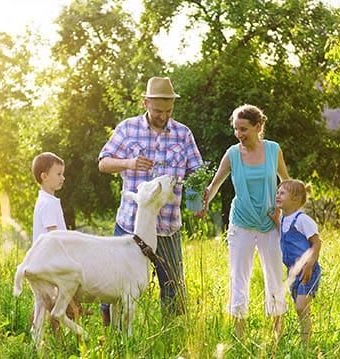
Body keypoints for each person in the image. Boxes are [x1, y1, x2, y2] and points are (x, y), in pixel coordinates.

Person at [98, 76, 203, 324]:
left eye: (168, 111)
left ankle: (171, 338)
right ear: (145, 103)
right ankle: (109, 335)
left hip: (166, 227)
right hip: (130, 226)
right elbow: (103, 163)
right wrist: (129, 163)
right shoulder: (127, 129)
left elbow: (197, 172)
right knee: (113, 282)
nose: (163, 116)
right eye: (158, 110)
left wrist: (198, 199)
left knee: (172, 287)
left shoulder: (182, 134)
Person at [199, 104, 289, 339]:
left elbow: (286, 182)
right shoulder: (232, 154)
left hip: (270, 223)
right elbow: (216, 183)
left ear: (258, 127)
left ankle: (277, 333)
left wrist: (285, 211)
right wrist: (205, 200)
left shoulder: (273, 150)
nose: (239, 134)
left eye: (244, 129)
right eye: (236, 129)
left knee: (275, 278)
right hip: (241, 223)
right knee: (238, 277)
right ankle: (240, 334)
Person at [31, 152, 87, 331]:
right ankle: (72, 312)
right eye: (58, 174)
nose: (63, 178)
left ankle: (38, 337)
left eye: (63, 174)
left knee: (41, 303)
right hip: (48, 261)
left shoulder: (49, 200)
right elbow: (54, 236)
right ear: (44, 176)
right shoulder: (48, 204)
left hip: (44, 260)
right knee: (52, 300)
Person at [275, 179, 322, 345]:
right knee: (300, 309)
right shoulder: (283, 218)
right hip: (293, 272)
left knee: (301, 307)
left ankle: (307, 344)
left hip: (308, 270)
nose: (277, 195)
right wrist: (274, 220)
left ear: (295, 199)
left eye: (282, 193)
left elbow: (317, 243)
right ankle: (305, 339)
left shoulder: (303, 220)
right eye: (277, 192)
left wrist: (309, 265)